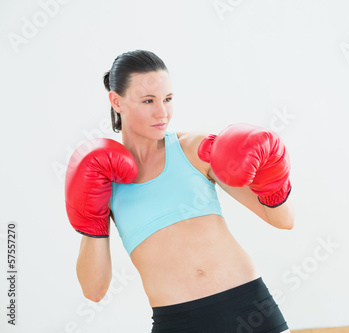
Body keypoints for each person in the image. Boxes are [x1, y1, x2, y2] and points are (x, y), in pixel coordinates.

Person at [64, 50, 294, 333]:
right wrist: (90, 224)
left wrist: (272, 178)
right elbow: (94, 290)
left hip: (247, 306)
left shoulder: (194, 150)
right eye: (148, 101)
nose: (162, 112)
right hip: (177, 322)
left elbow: (283, 220)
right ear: (116, 101)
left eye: (168, 99)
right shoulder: (104, 180)